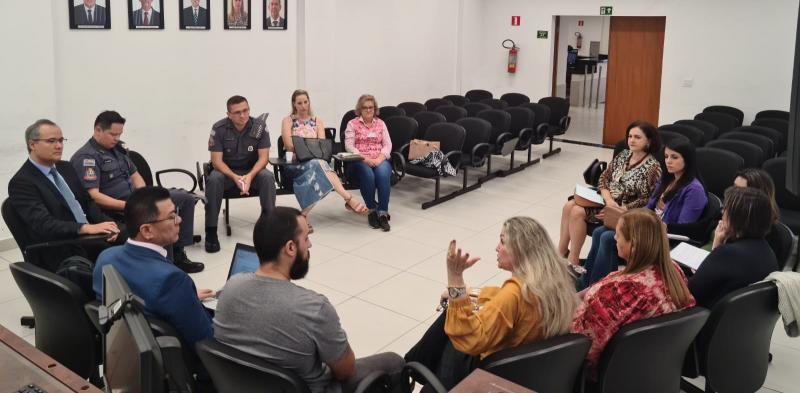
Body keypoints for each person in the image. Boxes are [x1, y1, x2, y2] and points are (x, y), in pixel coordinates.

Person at [213, 207, 405, 393]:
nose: (310, 245)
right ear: (290, 248)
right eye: (306, 238)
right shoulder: (314, 308)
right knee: (394, 362)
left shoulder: (229, 288)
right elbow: (346, 371)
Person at [405, 217, 578, 390]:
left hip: (490, 370)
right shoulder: (552, 283)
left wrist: (455, 279)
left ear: (520, 250)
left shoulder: (515, 293)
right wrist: (467, 294)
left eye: (502, 242)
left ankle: (409, 370)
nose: (497, 247)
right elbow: (500, 296)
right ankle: (411, 367)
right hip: (523, 372)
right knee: (453, 312)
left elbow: (468, 338)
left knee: (451, 321)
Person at [70, 111, 204, 273]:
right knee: (161, 218)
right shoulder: (87, 157)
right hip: (118, 210)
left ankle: (178, 253)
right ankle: (165, 267)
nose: (117, 138)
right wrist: (131, 205)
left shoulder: (119, 148)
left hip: (137, 200)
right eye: (113, 134)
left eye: (119, 134)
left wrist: (144, 197)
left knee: (184, 198)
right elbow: (94, 197)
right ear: (98, 130)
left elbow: (135, 175)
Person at [571, 208, 695, 375]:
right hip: (655, 368)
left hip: (610, 374)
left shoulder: (619, 291)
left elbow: (584, 349)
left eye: (618, 234)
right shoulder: (674, 271)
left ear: (633, 244)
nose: (614, 237)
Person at [92, 187, 214, 347]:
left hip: (124, 352)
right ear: (147, 230)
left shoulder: (105, 257)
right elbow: (205, 340)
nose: (179, 220)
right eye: (172, 217)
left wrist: (186, 299)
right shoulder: (173, 280)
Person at [580, 139, 707, 289]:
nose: (668, 161)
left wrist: (650, 224)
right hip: (648, 229)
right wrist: (632, 219)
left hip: (664, 238)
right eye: (666, 157)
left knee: (608, 238)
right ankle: (586, 283)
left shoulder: (694, 190)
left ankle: (598, 288)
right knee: (599, 232)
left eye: (674, 157)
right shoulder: (667, 179)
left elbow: (684, 227)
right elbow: (648, 208)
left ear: (687, 160)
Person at [9, 119, 120, 271]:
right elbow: (44, 224)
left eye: (61, 140)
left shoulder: (66, 167)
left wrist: (109, 225)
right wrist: (85, 229)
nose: (59, 146)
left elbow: (88, 203)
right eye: (51, 141)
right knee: (126, 258)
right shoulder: (22, 182)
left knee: (142, 240)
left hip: (90, 236)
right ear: (32, 145)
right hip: (64, 245)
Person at [559, 121, 662, 266]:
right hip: (607, 200)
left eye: (637, 137)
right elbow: (604, 177)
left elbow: (646, 199)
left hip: (625, 210)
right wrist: (608, 200)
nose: (631, 140)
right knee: (568, 206)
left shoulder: (653, 167)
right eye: (630, 136)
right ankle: (561, 253)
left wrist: (616, 210)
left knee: (576, 211)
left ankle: (573, 260)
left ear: (649, 141)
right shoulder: (624, 154)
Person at [280, 90, 367, 218]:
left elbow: (321, 145)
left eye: (305, 102)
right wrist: (309, 146)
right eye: (300, 103)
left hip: (315, 161)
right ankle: (348, 198)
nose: (303, 106)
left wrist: (302, 145)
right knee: (322, 167)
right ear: (294, 104)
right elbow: (288, 145)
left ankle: (303, 215)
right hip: (295, 163)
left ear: (309, 102)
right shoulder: (288, 121)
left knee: (319, 165)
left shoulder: (317, 121)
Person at [206, 95, 276, 252]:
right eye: (237, 112)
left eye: (246, 110)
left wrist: (250, 176)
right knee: (214, 179)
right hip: (226, 172)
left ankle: (268, 226)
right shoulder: (219, 128)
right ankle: (211, 231)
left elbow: (264, 158)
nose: (243, 115)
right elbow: (217, 161)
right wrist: (235, 177)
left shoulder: (259, 127)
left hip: (252, 171)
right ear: (228, 114)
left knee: (267, 177)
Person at [688, 187, 778, 309]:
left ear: (736, 217)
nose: (722, 213)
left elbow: (690, 293)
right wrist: (718, 244)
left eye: (725, 209)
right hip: (737, 322)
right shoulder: (769, 252)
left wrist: (717, 246)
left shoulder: (728, 253)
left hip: (700, 319)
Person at [344, 95, 394, 231]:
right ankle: (371, 210)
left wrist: (379, 159)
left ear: (375, 109)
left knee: (383, 174)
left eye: (371, 107)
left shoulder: (381, 124)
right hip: (360, 160)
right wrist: (365, 159)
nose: (368, 110)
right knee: (368, 176)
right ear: (360, 110)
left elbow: (388, 144)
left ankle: (383, 212)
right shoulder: (352, 124)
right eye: (365, 107)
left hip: (379, 158)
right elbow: (349, 146)